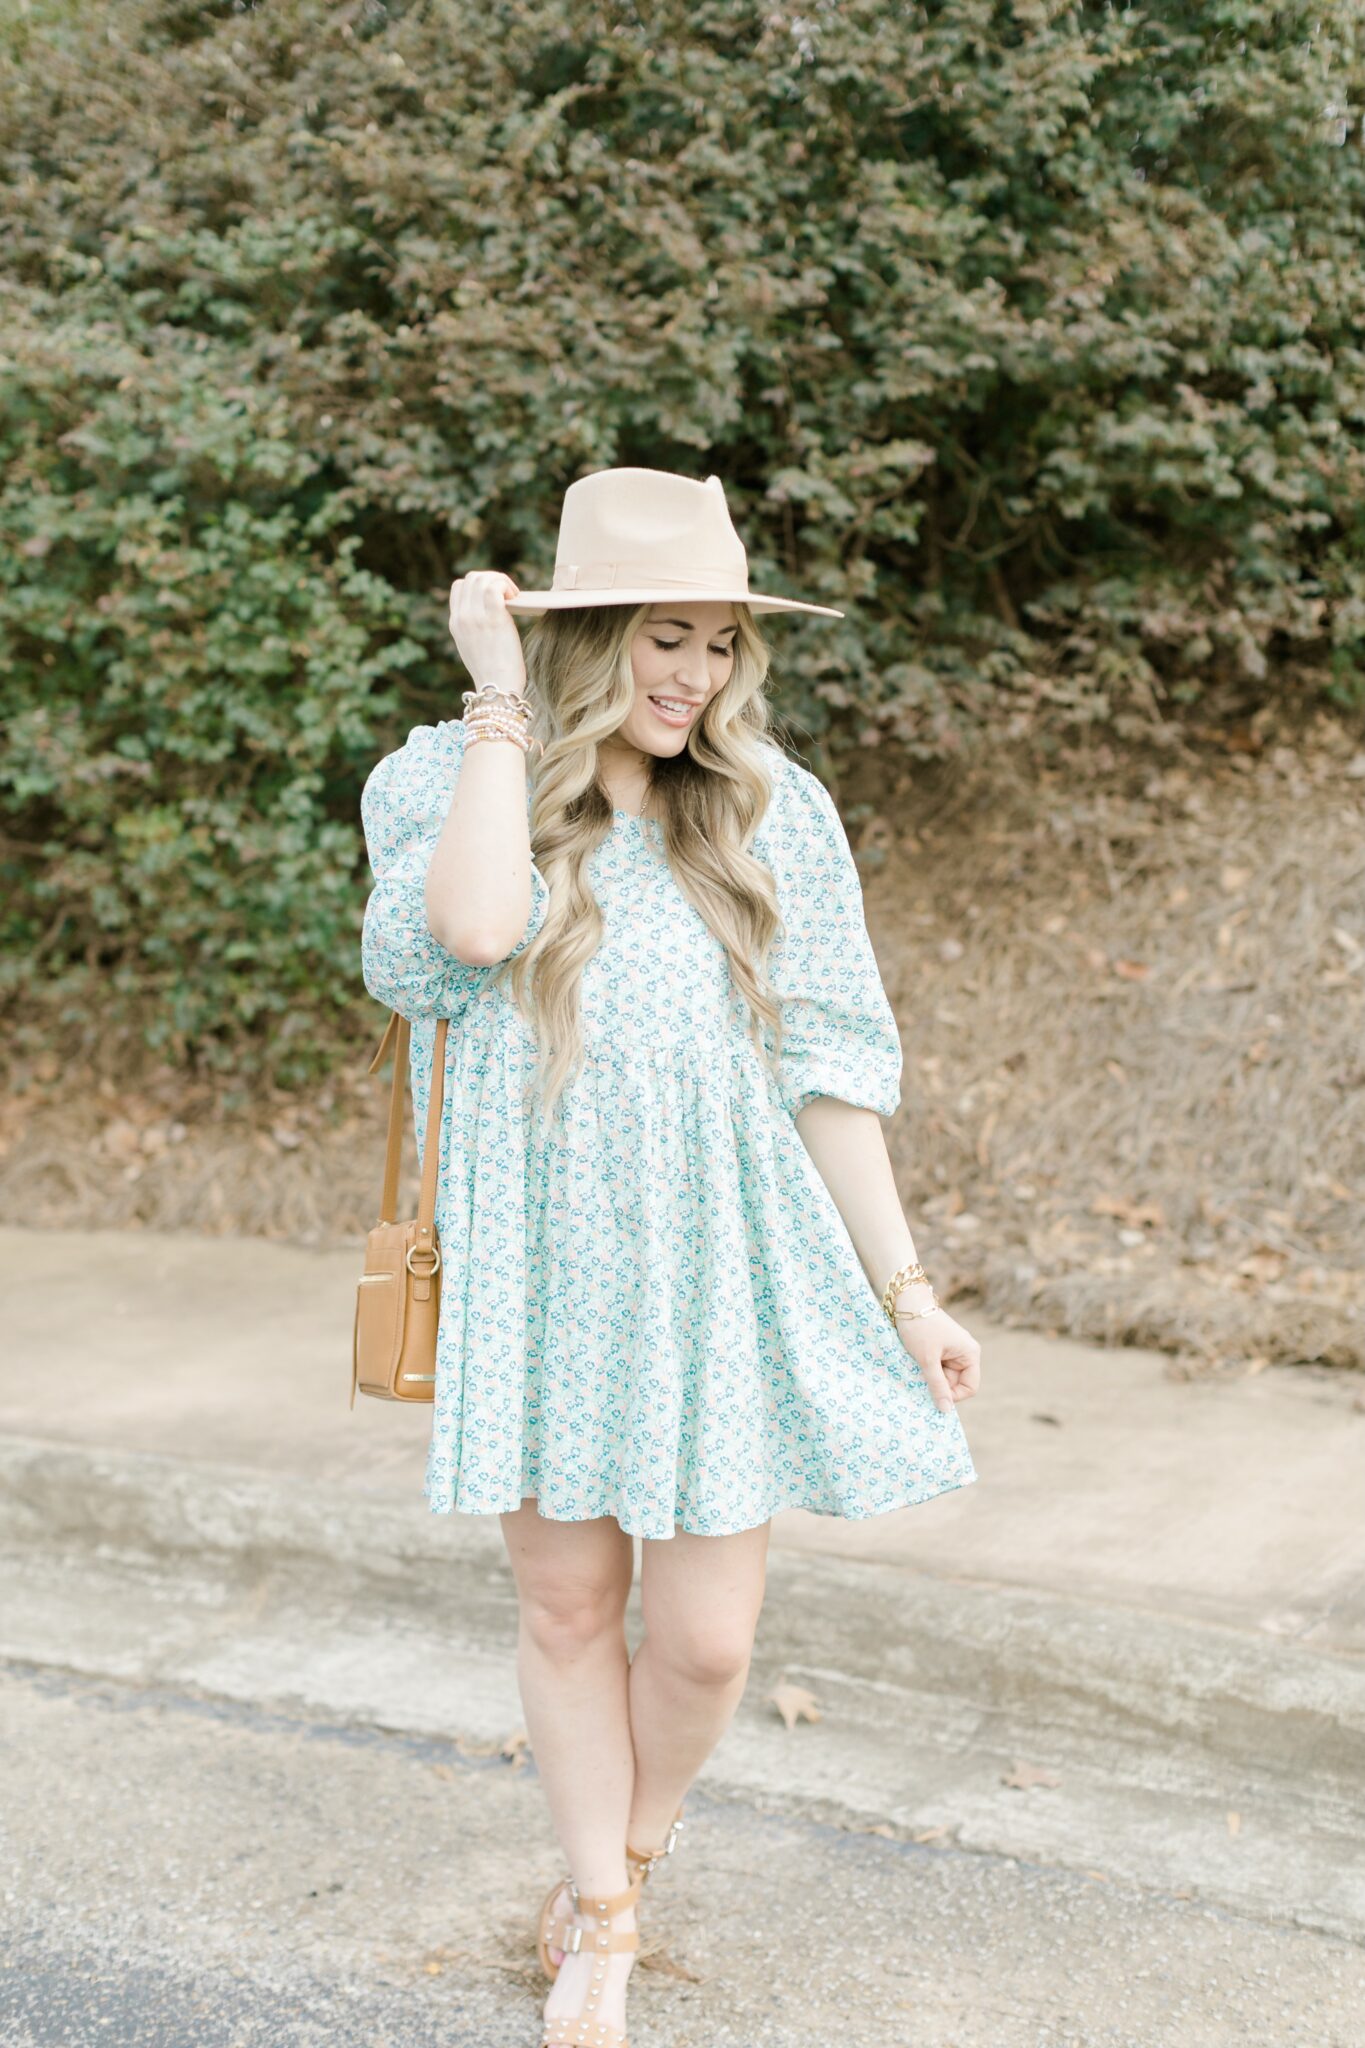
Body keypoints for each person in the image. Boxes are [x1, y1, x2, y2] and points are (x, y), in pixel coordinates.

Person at [359, 466, 982, 2048]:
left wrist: (906, 1293)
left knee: (703, 1647)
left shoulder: (767, 805)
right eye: (659, 638)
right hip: (544, 1259)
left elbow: (830, 1070)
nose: (692, 676)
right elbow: (477, 936)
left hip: (721, 1263)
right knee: (569, 1612)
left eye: (715, 644)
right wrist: (502, 708)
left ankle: (616, 1865)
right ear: (583, 634)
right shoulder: (441, 779)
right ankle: (607, 1930)